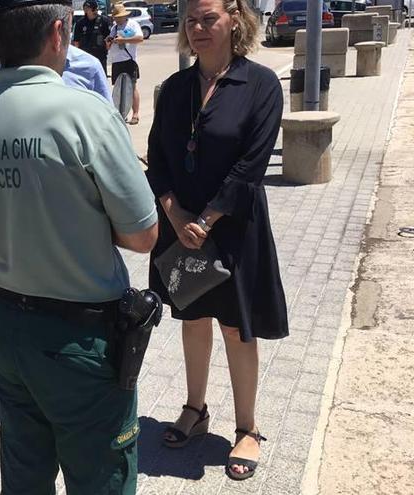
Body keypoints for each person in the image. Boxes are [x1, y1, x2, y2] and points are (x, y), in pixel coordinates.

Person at [0, 0, 158, 492]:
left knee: (24, 469)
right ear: (59, 33)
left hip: (3, 324)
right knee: (101, 476)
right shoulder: (86, 114)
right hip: (79, 336)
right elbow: (143, 236)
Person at [145, 0, 288, 481]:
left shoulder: (261, 84)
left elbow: (251, 165)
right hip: (179, 224)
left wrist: (204, 219)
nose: (199, 28)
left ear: (235, 19)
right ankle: (195, 408)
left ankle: (247, 427)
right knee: (192, 316)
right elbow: (157, 155)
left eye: (209, 18)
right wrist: (175, 212)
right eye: (192, 21)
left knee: (234, 328)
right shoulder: (175, 89)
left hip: (234, 227)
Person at [0, 38, 112, 421]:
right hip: (18, 233)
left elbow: (111, 141)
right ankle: (10, 386)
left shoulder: (88, 68)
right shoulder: (2, 70)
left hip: (74, 226)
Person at [107, 4, 143, 125]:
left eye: (118, 17)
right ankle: (121, 113)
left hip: (129, 60)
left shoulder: (132, 24)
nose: (116, 19)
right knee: (118, 88)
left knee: (131, 87)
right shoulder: (114, 28)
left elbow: (140, 38)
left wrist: (124, 40)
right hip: (116, 61)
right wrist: (109, 41)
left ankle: (136, 114)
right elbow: (111, 41)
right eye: (115, 17)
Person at [72, 0, 111, 75]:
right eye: (93, 9)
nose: (95, 11)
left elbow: (109, 38)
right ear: (86, 10)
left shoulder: (104, 21)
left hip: (100, 57)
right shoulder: (80, 23)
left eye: (96, 8)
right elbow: (76, 41)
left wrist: (107, 46)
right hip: (85, 57)